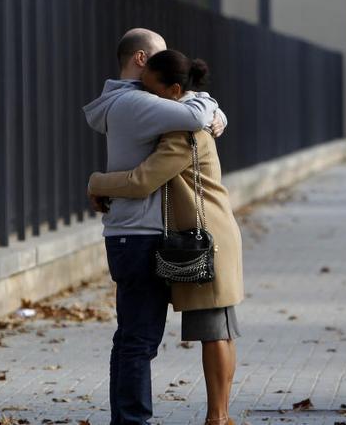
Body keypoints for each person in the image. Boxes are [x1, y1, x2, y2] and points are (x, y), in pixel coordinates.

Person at [88, 50, 244, 425]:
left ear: (174, 91)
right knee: (217, 329)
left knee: (215, 329)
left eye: (154, 92)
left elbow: (143, 180)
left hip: (207, 240)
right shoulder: (190, 119)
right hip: (206, 234)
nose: (148, 99)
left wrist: (97, 182)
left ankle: (218, 418)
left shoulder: (183, 134)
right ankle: (218, 415)